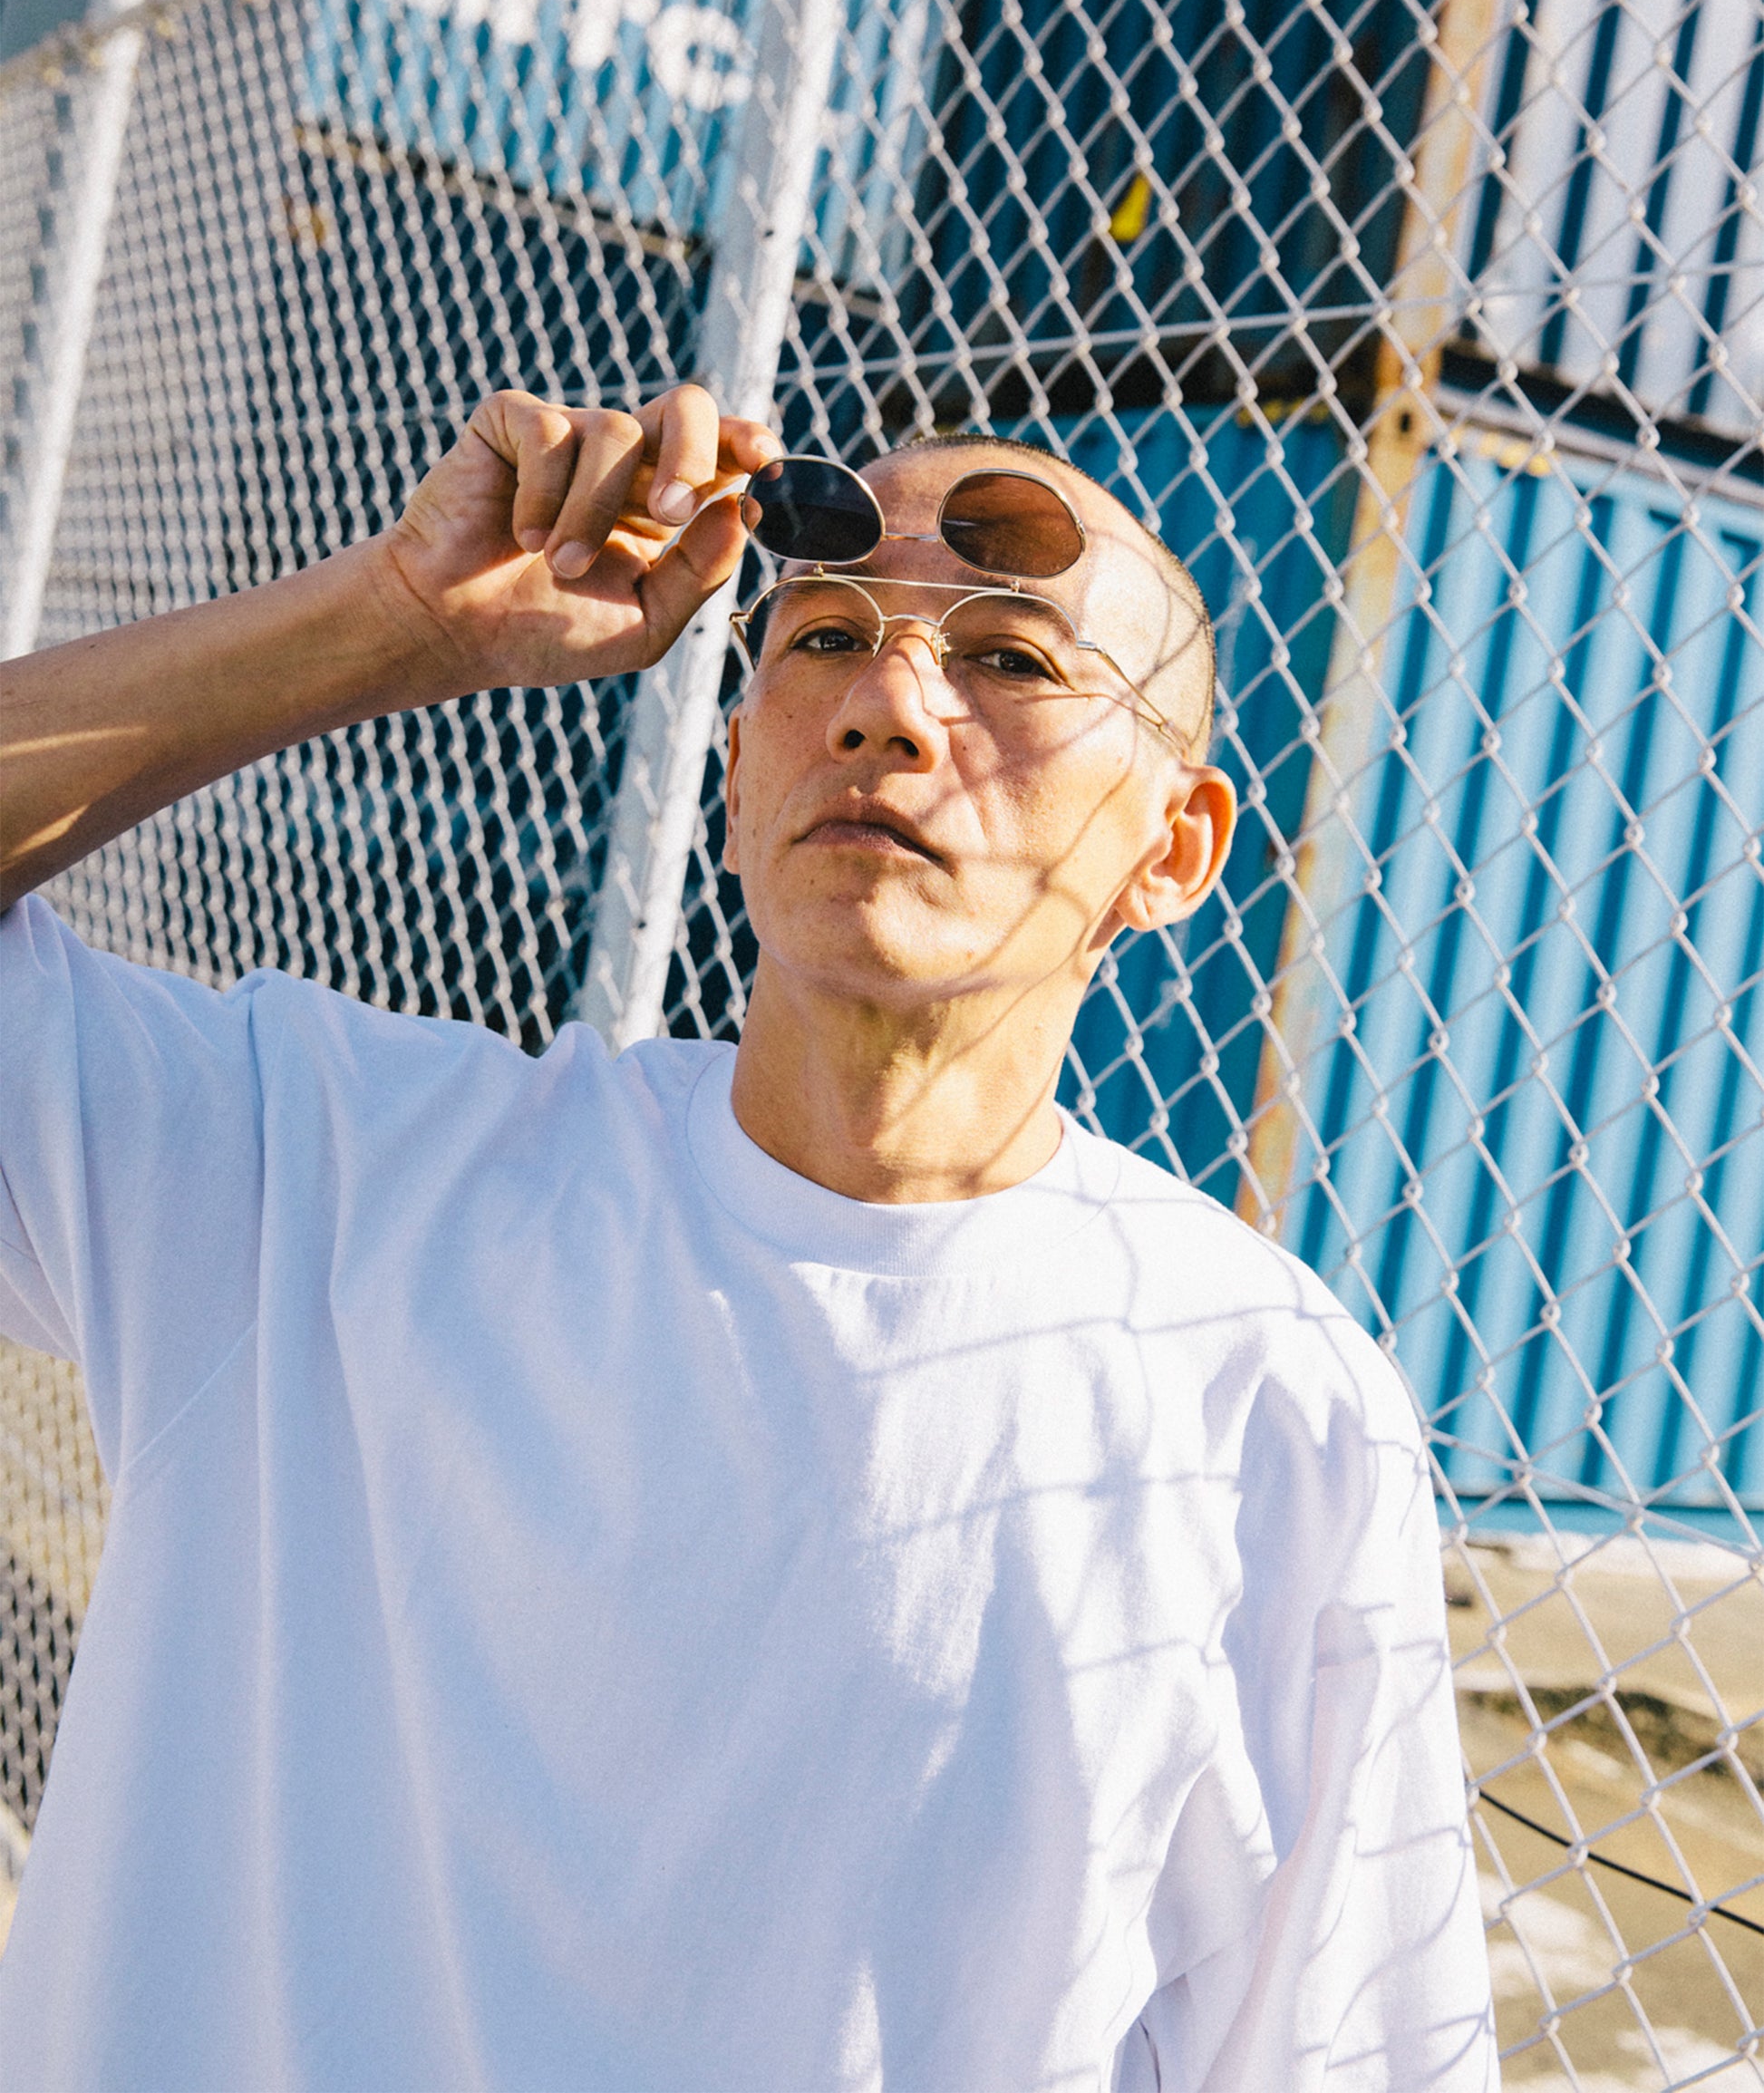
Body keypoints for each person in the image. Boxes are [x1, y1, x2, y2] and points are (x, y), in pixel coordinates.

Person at [0, 383, 1495, 2089]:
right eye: (826, 636)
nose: (888, 704)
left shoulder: (1263, 1406)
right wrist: (398, 617)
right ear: (732, 780)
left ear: (1173, 849)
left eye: (1010, 657)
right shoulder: (315, 1175)